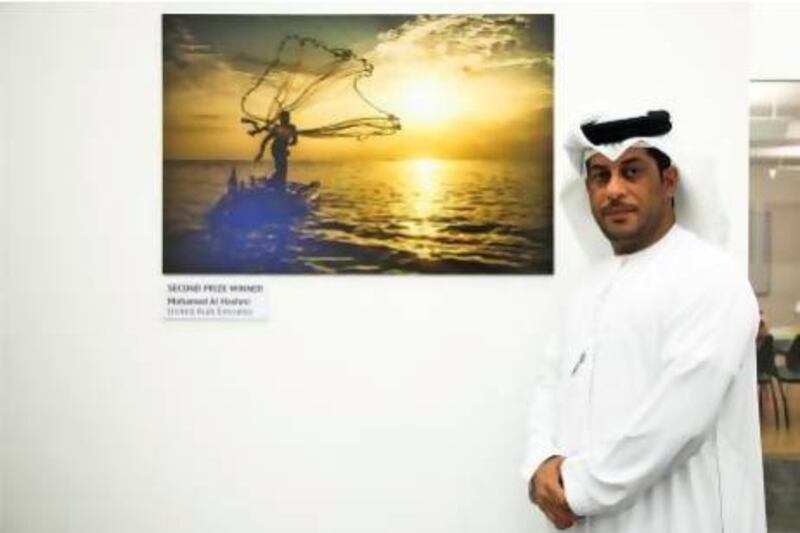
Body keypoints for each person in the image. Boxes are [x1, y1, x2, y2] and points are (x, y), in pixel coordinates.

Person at [522, 110, 766, 532]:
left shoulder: (709, 276)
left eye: (631, 172)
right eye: (600, 176)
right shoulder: (587, 288)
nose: (613, 190)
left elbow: (679, 420)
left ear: (668, 182)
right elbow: (551, 385)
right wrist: (541, 465)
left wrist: (575, 490)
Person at [251, 110, 298, 192]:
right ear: (280, 119)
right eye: (283, 118)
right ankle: (275, 186)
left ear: (289, 118)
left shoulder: (292, 128)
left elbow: (294, 141)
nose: (284, 120)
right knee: (281, 169)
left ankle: (274, 185)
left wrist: (288, 145)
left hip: (282, 150)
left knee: (282, 170)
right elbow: (265, 140)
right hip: (276, 149)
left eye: (286, 118)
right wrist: (261, 153)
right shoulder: (277, 128)